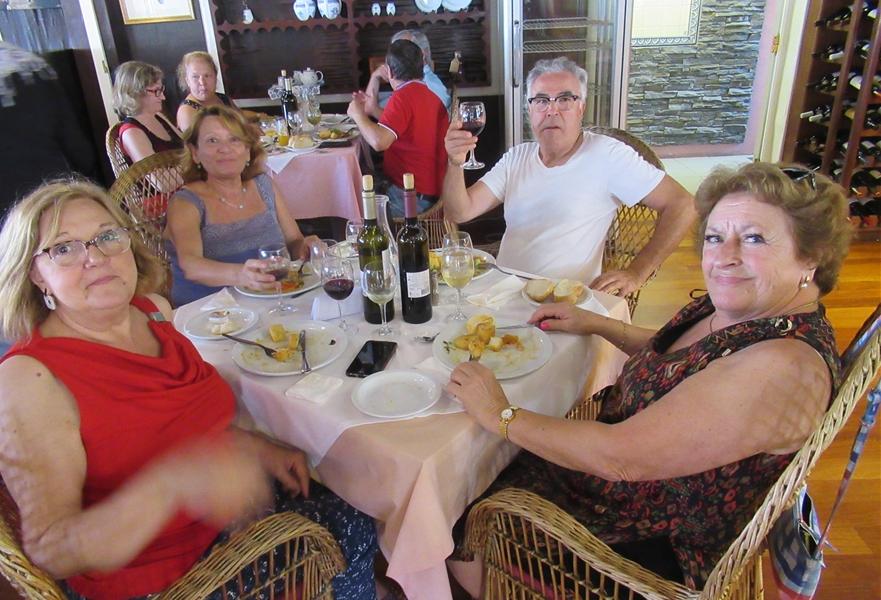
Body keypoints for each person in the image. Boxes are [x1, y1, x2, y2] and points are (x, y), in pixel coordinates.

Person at [446, 162, 851, 594]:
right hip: (623, 485)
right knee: (482, 462)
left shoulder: (780, 368)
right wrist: (598, 324)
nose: (724, 257)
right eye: (715, 237)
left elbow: (620, 458)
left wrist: (500, 413)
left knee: (455, 505)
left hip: (638, 536)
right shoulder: (753, 311)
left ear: (811, 255)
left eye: (754, 238)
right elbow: (680, 356)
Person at [0, 179, 379, 600]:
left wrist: (257, 447)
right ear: (36, 274)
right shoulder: (31, 379)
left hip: (224, 514)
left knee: (356, 500)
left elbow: (180, 421)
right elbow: (53, 551)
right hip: (164, 575)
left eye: (106, 236)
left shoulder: (152, 312)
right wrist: (173, 485)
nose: (96, 258)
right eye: (65, 248)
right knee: (347, 528)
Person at [442, 56, 696, 297]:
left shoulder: (607, 155)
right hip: (503, 295)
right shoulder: (517, 157)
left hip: (563, 305)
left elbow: (683, 205)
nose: (551, 110)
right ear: (530, 109)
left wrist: (636, 273)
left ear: (581, 108)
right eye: (541, 100)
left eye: (564, 99)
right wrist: (454, 162)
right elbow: (459, 212)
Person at [0, 9, 98, 370]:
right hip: (55, 235)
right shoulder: (30, 67)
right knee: (84, 345)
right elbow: (80, 156)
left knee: (18, 357)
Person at [165, 105, 318, 305]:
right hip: (211, 311)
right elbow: (191, 266)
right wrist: (241, 275)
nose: (225, 148)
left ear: (247, 151)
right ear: (195, 153)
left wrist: (305, 247)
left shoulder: (264, 186)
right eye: (212, 140)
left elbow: (293, 240)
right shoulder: (185, 203)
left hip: (271, 298)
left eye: (234, 139)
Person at [349, 39, 449, 218]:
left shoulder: (402, 97)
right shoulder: (427, 93)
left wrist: (357, 115)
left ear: (390, 71)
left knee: (351, 209)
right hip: (429, 189)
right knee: (360, 186)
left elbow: (379, 142)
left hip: (411, 196)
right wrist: (372, 110)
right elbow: (405, 126)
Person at [359, 29, 450, 117]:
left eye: (403, 52)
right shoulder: (406, 78)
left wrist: (375, 111)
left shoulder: (429, 85)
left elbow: (414, 124)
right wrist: (375, 76)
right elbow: (366, 106)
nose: (396, 59)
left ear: (422, 54)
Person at [113, 61, 185, 165]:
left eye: (161, 90)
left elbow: (187, 143)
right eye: (156, 91)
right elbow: (156, 175)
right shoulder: (131, 132)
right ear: (135, 93)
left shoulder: (158, 116)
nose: (163, 97)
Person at [175, 51, 243, 132]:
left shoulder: (223, 98)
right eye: (195, 77)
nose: (202, 82)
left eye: (207, 76)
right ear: (187, 81)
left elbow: (243, 122)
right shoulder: (187, 111)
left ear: (215, 76)